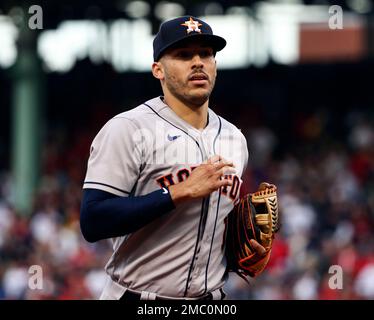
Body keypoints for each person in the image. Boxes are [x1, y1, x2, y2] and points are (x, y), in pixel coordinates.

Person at [80, 15, 265, 300]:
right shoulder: (128, 129)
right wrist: (178, 192)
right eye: (183, 55)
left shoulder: (234, 139)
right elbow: (93, 221)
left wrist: (241, 252)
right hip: (138, 297)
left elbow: (204, 232)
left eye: (206, 53)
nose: (197, 62)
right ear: (158, 70)